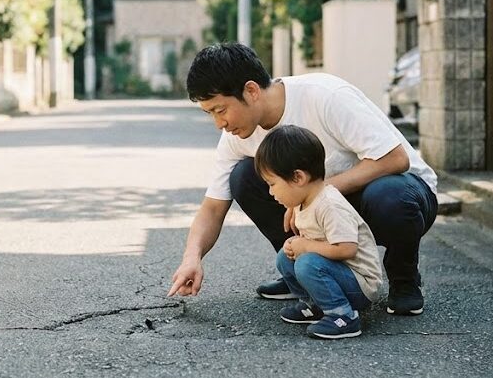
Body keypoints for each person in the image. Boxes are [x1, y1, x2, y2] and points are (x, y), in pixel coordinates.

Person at [166, 42, 438, 316]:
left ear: (251, 90)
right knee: (243, 177)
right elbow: (213, 207)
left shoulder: (325, 96)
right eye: (210, 113)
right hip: (329, 210)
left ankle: (405, 281)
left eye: (221, 110)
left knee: (389, 195)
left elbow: (395, 159)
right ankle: (302, 275)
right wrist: (192, 258)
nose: (218, 123)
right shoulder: (236, 137)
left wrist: (314, 196)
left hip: (400, 191)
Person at [255, 124, 382, 339]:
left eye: (272, 183)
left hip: (360, 284)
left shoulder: (330, 205)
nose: (270, 191)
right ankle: (315, 305)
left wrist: (306, 246)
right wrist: (298, 245)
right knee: (285, 258)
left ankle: (344, 317)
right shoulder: (302, 200)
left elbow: (347, 249)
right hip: (336, 273)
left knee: (306, 261)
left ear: (298, 178)